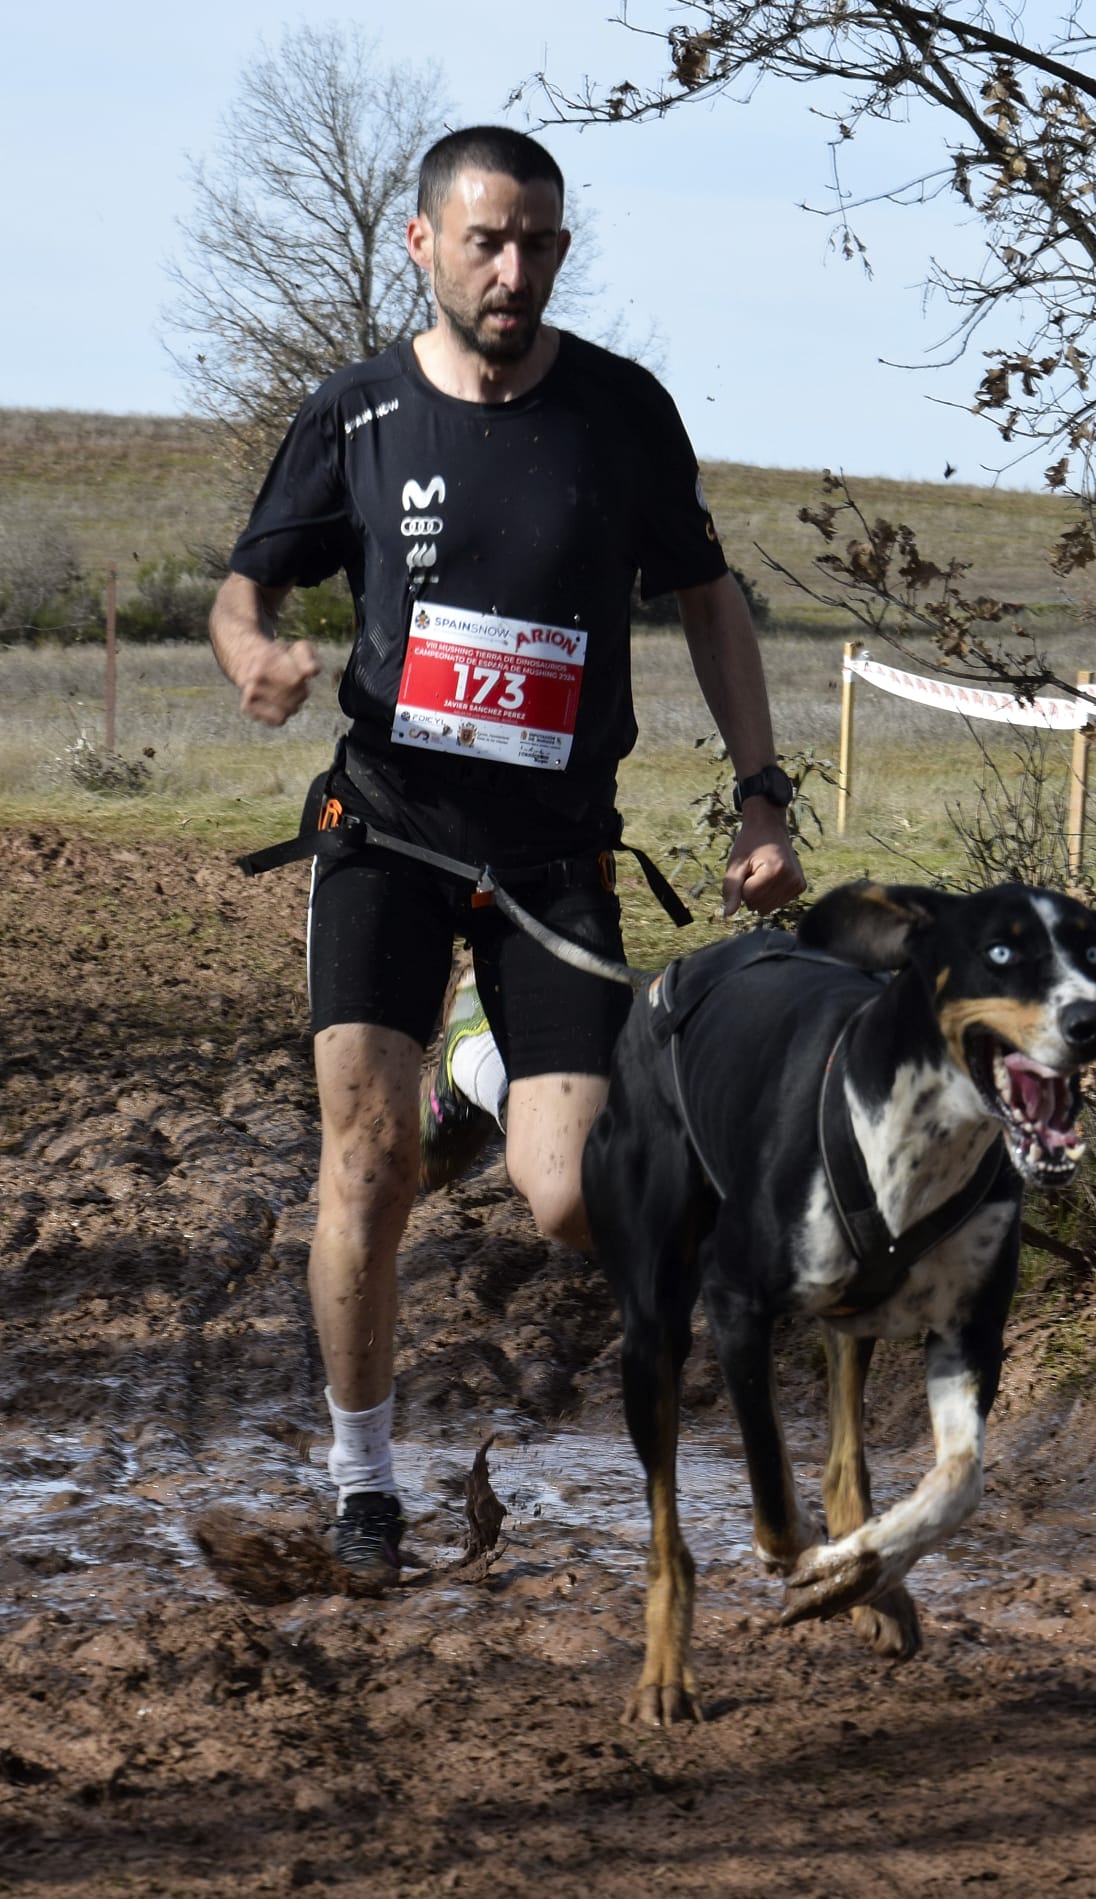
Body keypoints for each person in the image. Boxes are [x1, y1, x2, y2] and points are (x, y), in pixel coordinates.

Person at [208, 126, 806, 1582]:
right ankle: (364, 1482)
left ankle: (485, 1049)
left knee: (565, 1197)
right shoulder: (354, 415)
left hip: (551, 858)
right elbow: (244, 586)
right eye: (486, 239)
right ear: (422, 244)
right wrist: (253, 656)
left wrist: (761, 795)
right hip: (387, 836)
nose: (514, 267)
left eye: (539, 239)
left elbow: (710, 605)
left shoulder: (619, 413)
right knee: (373, 1154)